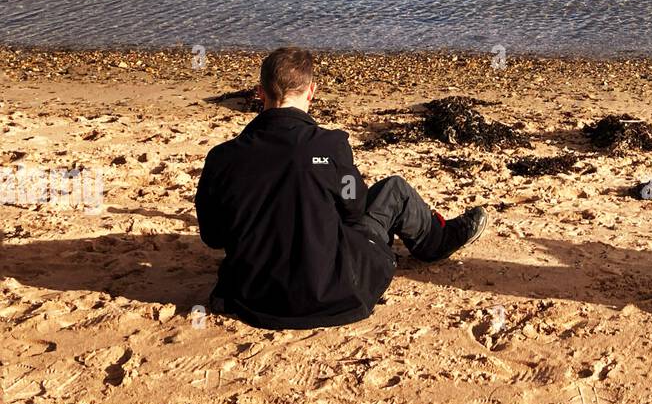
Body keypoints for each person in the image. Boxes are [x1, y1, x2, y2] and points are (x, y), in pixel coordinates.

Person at [195, 47, 487, 329]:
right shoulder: (330, 146)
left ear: (260, 93)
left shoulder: (223, 158)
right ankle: (438, 241)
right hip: (332, 295)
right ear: (312, 91)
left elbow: (213, 236)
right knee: (393, 191)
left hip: (252, 297)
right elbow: (354, 209)